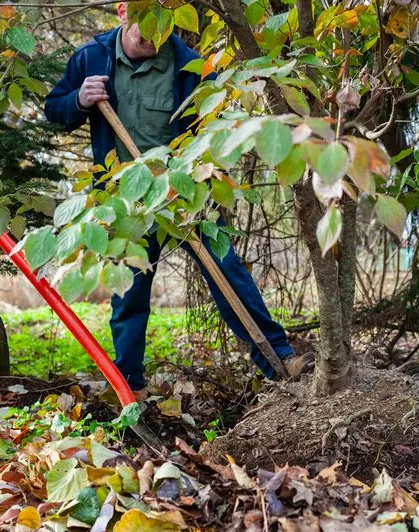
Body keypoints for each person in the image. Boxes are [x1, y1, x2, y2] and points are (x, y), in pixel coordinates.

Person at [45, 2, 311, 398]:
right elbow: (55, 110)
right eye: (144, 32)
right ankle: (128, 387)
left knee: (227, 271)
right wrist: (78, 100)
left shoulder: (190, 66)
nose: (154, 40)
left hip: (182, 192)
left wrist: (196, 175)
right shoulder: (91, 58)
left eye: (162, 32)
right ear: (122, 13)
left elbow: (213, 129)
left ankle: (279, 358)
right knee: (130, 295)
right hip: (126, 201)